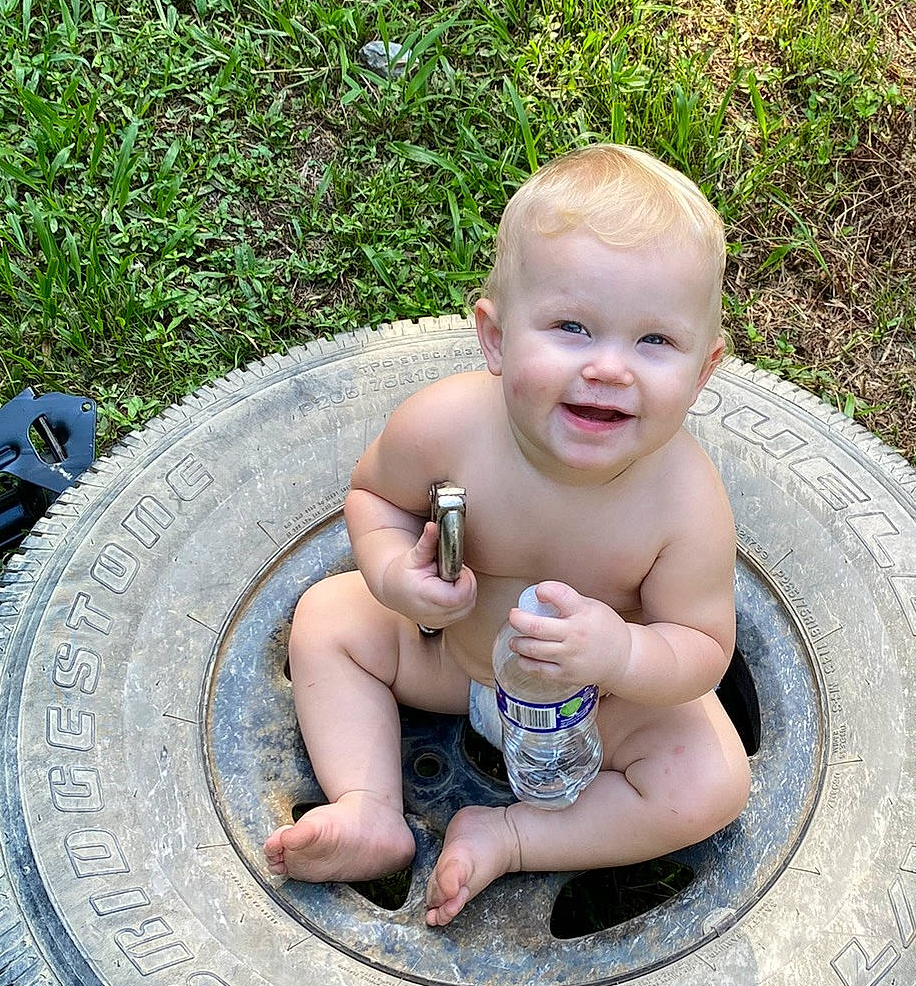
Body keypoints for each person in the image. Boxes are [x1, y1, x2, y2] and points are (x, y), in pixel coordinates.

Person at [263, 144, 751, 927]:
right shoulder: (446, 426)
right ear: (494, 338)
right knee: (329, 619)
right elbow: (372, 497)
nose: (610, 369)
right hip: (452, 661)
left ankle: (514, 838)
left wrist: (619, 653)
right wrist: (394, 575)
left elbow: (701, 647)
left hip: (595, 701)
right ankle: (368, 808)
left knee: (713, 781)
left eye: (653, 341)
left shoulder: (685, 502)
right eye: (572, 327)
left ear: (702, 371)